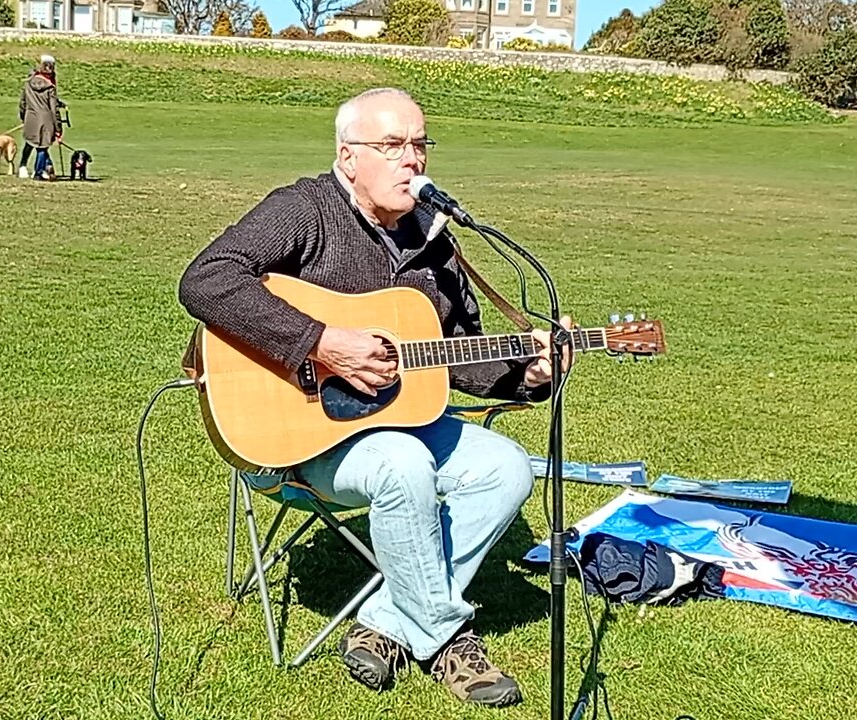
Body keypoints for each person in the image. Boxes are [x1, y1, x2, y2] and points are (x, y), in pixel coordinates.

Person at [177, 87, 571, 708]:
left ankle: (387, 623)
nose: (410, 160)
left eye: (419, 145)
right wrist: (319, 343)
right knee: (401, 464)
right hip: (300, 437)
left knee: (507, 468)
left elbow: (461, 356)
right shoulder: (305, 209)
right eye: (391, 146)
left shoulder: (437, 240)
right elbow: (206, 279)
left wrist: (531, 375)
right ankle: (447, 641)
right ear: (348, 155)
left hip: (403, 422)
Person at [18, 54, 63, 181]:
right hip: (46, 119)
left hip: (30, 117)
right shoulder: (50, 87)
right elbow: (54, 110)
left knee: (30, 143)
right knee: (42, 147)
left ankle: (23, 167)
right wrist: (58, 127)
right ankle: (38, 172)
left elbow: (22, 103)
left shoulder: (28, 83)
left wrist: (23, 117)